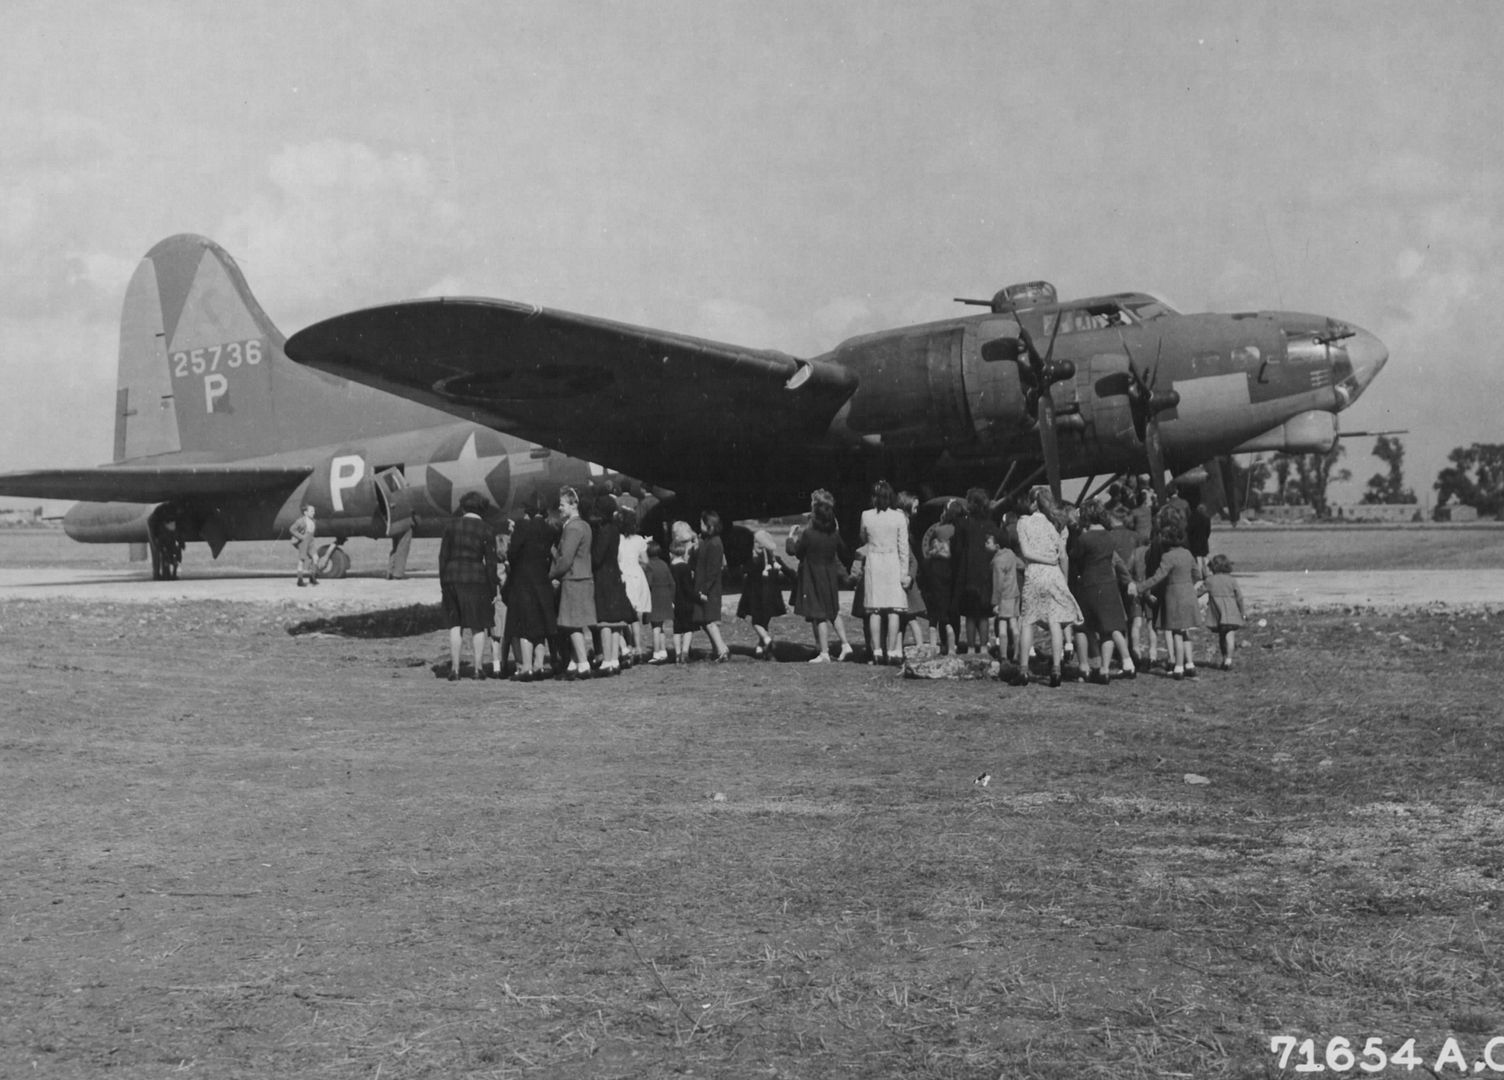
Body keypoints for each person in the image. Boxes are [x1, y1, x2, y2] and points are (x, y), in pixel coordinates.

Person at [1013, 486, 1083, 688]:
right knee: (1055, 622)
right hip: (1054, 575)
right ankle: (1056, 670)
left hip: (1034, 573)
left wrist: (1043, 560)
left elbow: (1025, 552)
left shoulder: (1024, 522)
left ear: (1033, 502)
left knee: (1028, 621)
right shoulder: (1055, 524)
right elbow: (1063, 556)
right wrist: (1064, 578)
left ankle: (1024, 670)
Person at [1069, 501, 1136, 683]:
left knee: (1081, 627)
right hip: (1109, 584)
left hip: (1089, 584)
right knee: (1108, 628)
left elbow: (1076, 558)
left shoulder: (1084, 539)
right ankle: (1105, 670)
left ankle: (1084, 667)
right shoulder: (1110, 537)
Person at [438, 492, 500, 681]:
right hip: (476, 579)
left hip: (452, 578)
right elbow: (491, 563)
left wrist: (444, 582)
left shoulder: (451, 527)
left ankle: (455, 669)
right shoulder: (487, 529)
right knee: (477, 625)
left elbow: (443, 557)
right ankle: (478, 668)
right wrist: (492, 588)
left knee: (455, 625)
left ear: (463, 507)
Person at [1132, 510, 1200, 679]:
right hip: (1189, 594)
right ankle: (1190, 663)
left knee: (1176, 632)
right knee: (1185, 632)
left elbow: (1157, 577)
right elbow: (1198, 575)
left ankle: (1178, 666)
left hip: (1173, 596)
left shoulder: (1167, 557)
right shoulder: (1188, 554)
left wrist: (1140, 587)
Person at [788, 496, 853, 663]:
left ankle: (824, 652)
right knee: (833, 611)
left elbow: (797, 552)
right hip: (830, 575)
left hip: (813, 576)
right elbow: (843, 551)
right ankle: (846, 644)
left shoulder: (809, 534)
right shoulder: (834, 534)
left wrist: (791, 536)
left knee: (819, 615)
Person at [858, 480, 911, 666]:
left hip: (875, 560)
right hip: (893, 561)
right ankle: (892, 649)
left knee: (875, 608)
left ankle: (877, 650)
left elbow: (863, 537)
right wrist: (904, 572)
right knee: (894, 608)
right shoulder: (899, 518)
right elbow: (903, 546)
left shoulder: (866, 516)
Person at [505, 495, 558, 681]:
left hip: (523, 581)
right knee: (540, 625)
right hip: (542, 580)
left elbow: (512, 553)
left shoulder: (522, 526)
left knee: (525, 626)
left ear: (527, 511)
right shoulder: (549, 529)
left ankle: (526, 667)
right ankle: (539, 665)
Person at [549, 486, 596, 680]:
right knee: (575, 624)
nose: (560, 508)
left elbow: (566, 559)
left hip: (573, 579)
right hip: (583, 577)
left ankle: (583, 664)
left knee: (572, 625)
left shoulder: (573, 527)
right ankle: (577, 662)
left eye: (562, 505)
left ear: (573, 504)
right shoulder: (584, 525)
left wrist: (551, 575)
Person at [589, 494, 635, 676]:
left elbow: (597, 556)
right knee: (616, 621)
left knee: (605, 621)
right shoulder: (615, 529)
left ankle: (607, 660)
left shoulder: (604, 530)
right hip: (614, 573)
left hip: (603, 577)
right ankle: (614, 660)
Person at [950, 488, 995, 654]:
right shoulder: (990, 525)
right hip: (985, 572)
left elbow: (957, 549)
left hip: (967, 572)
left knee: (970, 614)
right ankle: (983, 647)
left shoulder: (963, 524)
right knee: (983, 614)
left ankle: (970, 647)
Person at [737, 529, 788, 660]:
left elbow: (743, 571)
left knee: (756, 623)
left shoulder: (753, 561)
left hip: (757, 598)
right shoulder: (775, 560)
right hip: (772, 599)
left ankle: (768, 640)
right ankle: (760, 649)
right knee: (764, 623)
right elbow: (788, 571)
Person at [921, 499, 962, 653]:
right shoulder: (962, 529)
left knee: (941, 611)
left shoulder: (940, 531)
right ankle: (955, 642)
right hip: (956, 573)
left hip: (941, 572)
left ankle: (944, 643)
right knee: (954, 611)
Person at [693, 510, 731, 662]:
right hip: (705, 586)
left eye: (702, 523)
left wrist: (704, 590)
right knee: (704, 620)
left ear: (709, 525)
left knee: (709, 620)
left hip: (709, 589)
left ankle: (722, 649)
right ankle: (718, 648)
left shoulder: (715, 543)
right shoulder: (709, 541)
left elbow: (713, 571)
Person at [616, 505, 652, 665]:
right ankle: (638, 647)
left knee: (624, 615)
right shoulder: (639, 540)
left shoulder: (617, 539)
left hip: (623, 575)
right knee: (636, 616)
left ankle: (627, 645)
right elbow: (645, 561)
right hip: (637, 576)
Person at [1203, 553, 1245, 670]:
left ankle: (1224, 657)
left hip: (1217, 614)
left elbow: (1198, 592)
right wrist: (1243, 612)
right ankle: (1229, 660)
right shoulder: (1231, 580)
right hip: (1232, 613)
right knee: (1230, 637)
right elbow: (1239, 598)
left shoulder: (1210, 580)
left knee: (1222, 638)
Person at [988, 530, 1021, 665]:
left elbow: (998, 583)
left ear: (997, 545)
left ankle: (1003, 655)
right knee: (1014, 624)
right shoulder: (1011, 554)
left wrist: (995, 602)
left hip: (1004, 596)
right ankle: (1017, 654)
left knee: (1002, 626)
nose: (986, 544)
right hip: (1015, 593)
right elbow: (1021, 565)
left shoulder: (997, 561)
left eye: (988, 542)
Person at [669, 521, 698, 663]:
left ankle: (677, 653)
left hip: (676, 603)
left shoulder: (671, 568)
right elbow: (688, 587)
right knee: (688, 629)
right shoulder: (685, 568)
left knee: (676, 629)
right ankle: (685, 652)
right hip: (687, 602)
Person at [644, 539, 675, 663]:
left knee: (655, 628)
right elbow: (672, 582)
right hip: (665, 598)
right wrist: (672, 598)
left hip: (654, 598)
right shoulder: (664, 564)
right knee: (660, 627)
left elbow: (648, 583)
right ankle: (663, 651)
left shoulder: (649, 566)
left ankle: (656, 652)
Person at [289, 504, 318, 587]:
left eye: (314, 511)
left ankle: (312, 577)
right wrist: (301, 537)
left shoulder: (313, 520)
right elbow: (292, 529)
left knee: (316, 558)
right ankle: (300, 580)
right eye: (312, 511)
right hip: (303, 541)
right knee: (302, 560)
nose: (314, 513)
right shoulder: (300, 521)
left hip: (311, 541)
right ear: (305, 512)